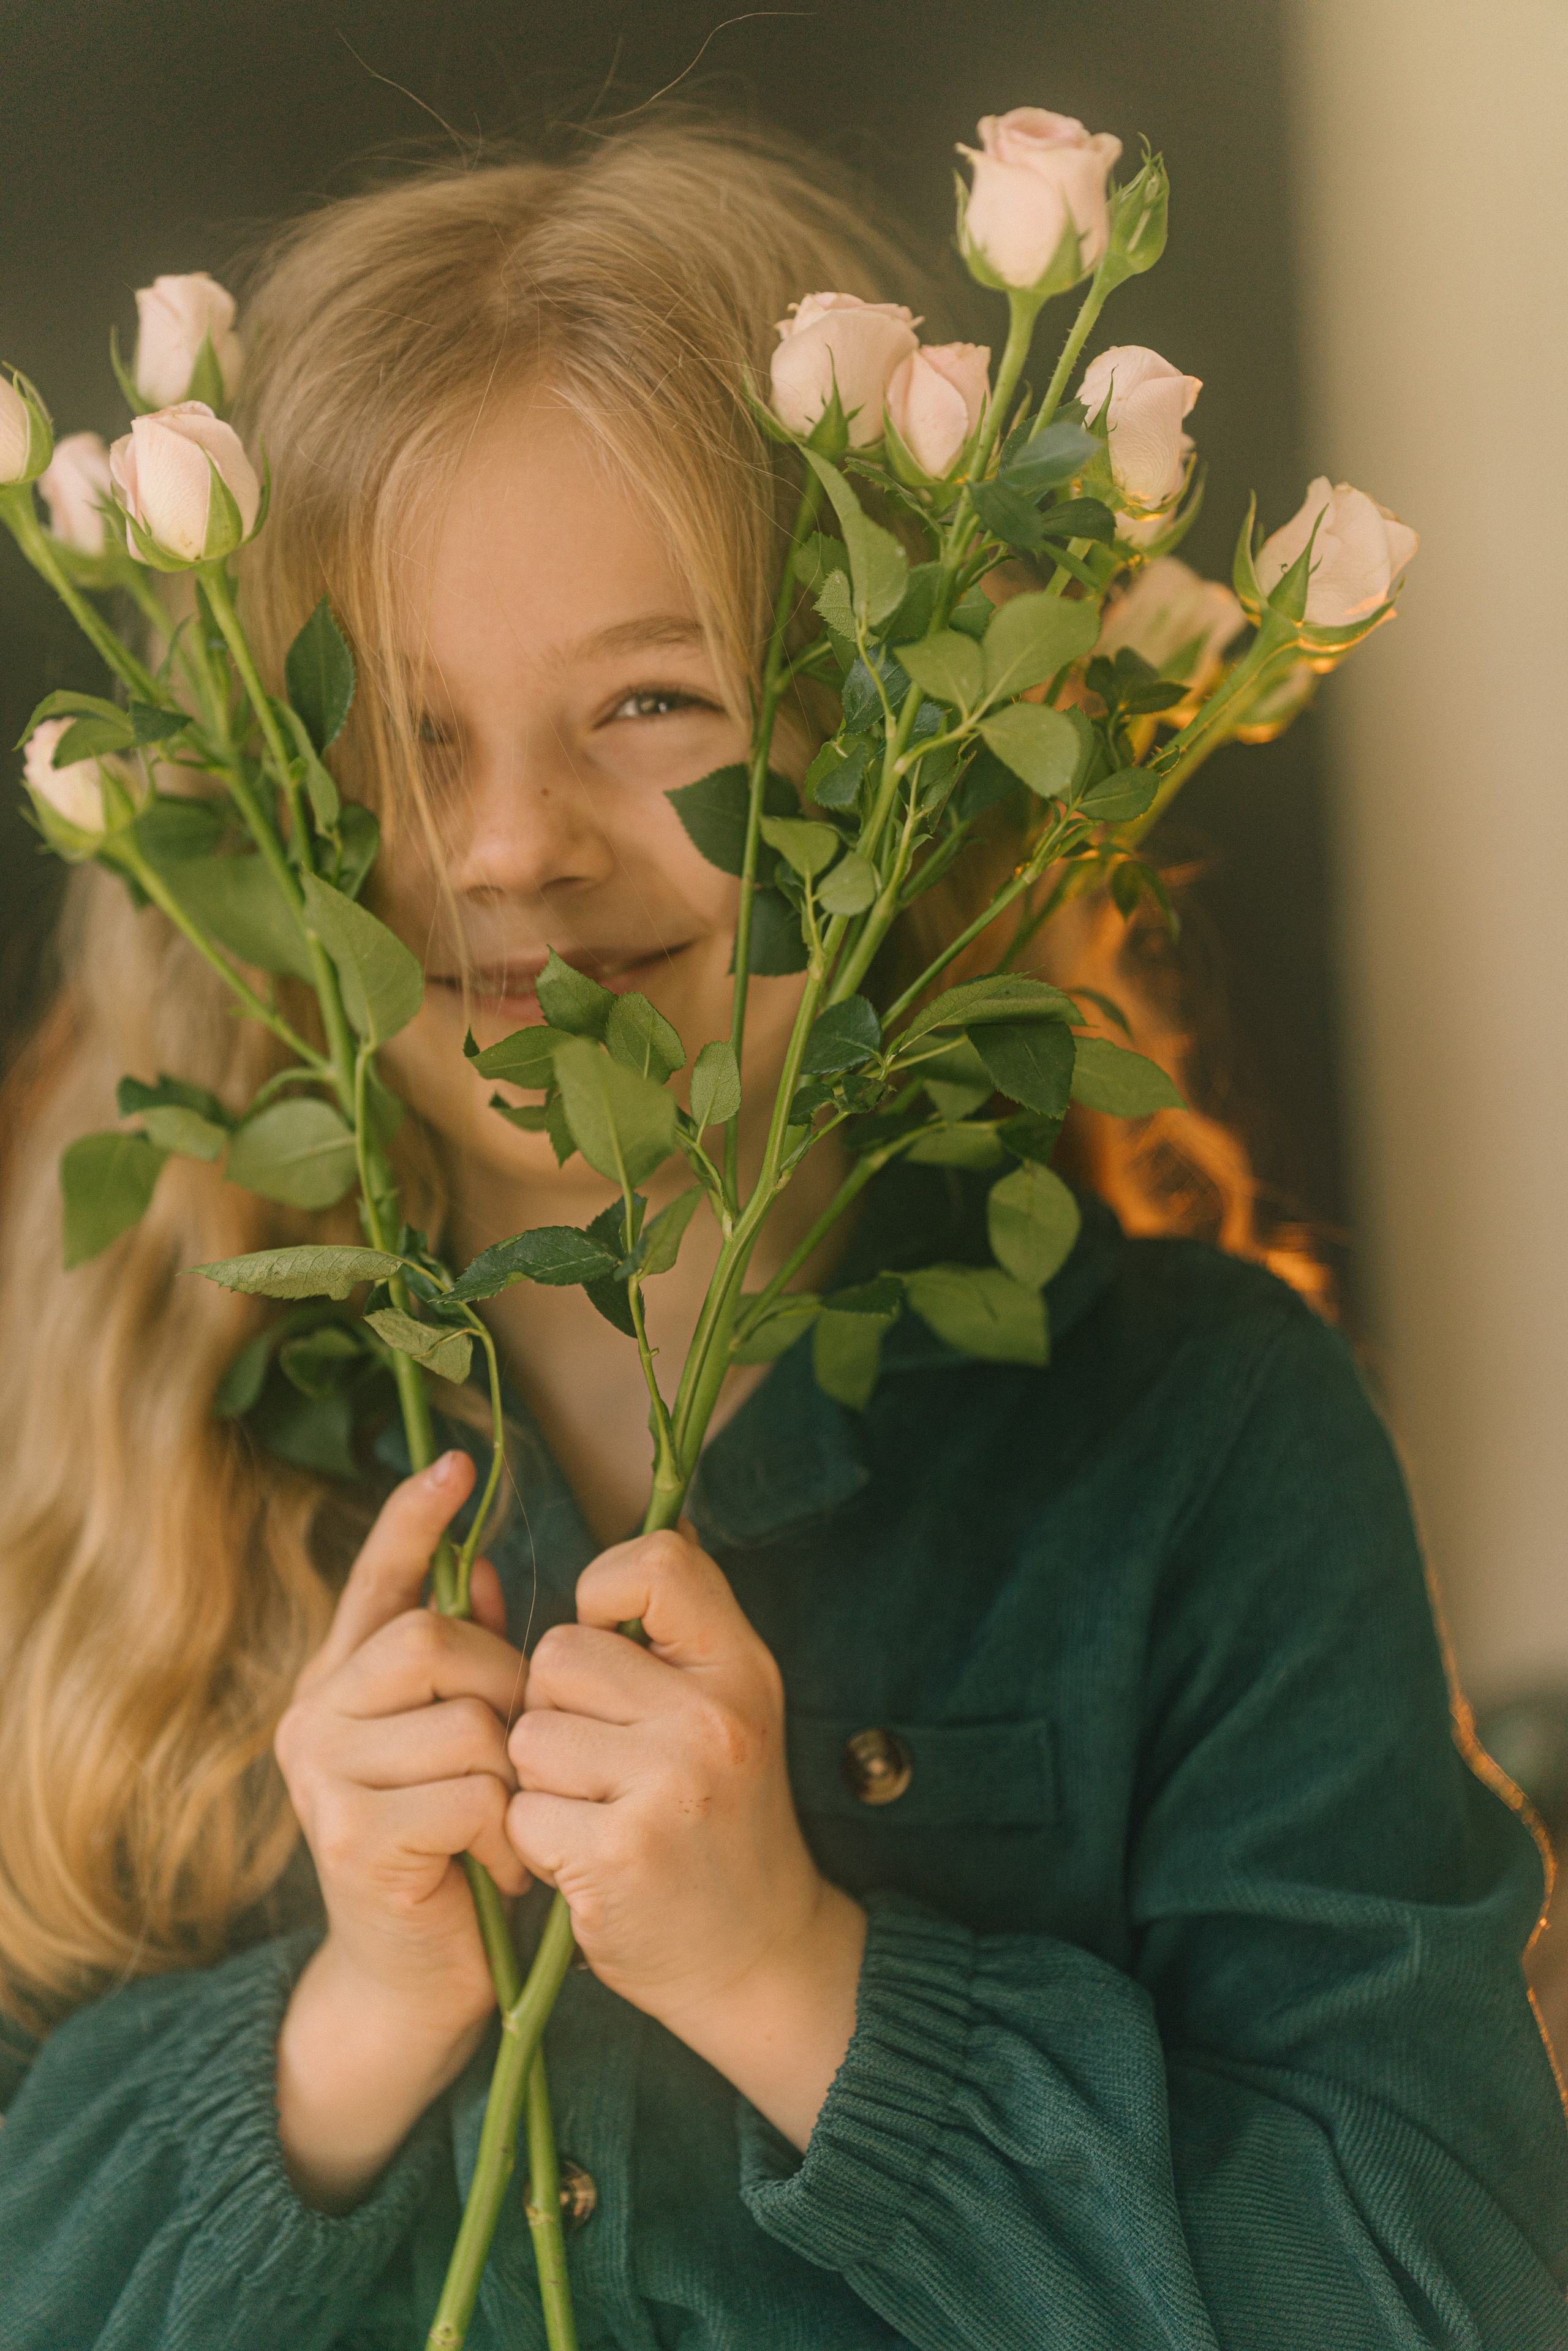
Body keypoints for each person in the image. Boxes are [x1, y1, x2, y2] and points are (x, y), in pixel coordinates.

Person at [1, 120, 1565, 2351]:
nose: (517, 847)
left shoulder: (1203, 1429)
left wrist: (799, 1985)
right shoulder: (90, 1431)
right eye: (404, 738)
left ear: (895, 744)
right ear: (256, 806)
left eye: (656, 707)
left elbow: (1441, 2297)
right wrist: (345, 2033)